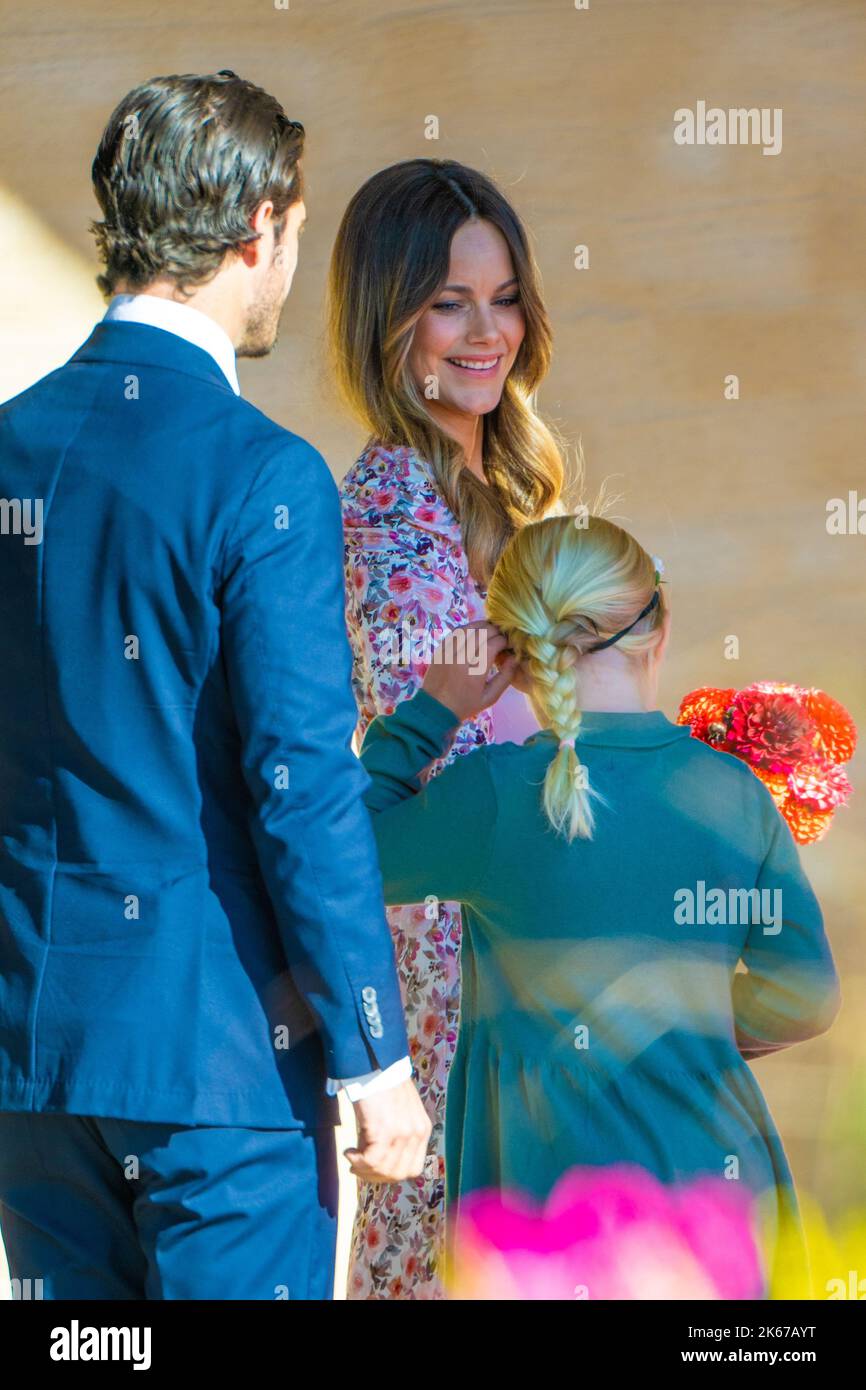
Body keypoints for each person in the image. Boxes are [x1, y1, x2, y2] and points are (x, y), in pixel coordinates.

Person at [0, 70, 429, 1301]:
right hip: (218, 1076)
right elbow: (300, 781)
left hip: (35, 1069)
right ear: (260, 227)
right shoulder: (265, 476)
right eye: (294, 233)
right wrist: (373, 1054)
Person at [356, 513, 841, 1296]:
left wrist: (430, 714)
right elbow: (804, 995)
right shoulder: (731, 792)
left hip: (550, 1225)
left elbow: (340, 857)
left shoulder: (493, 796)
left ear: (510, 654)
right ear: (662, 627)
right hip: (721, 1205)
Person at [328, 158, 568, 1297]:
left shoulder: (514, 487)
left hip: (522, 940)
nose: (489, 331)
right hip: (443, 961)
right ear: (391, 317)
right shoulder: (385, 507)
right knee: (441, 1259)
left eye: (505, 295)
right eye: (449, 301)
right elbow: (447, 754)